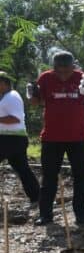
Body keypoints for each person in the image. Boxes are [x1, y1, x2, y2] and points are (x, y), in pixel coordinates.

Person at [29, 51, 84, 226]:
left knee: (81, 177)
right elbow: (35, 103)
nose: (64, 74)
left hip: (78, 137)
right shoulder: (45, 78)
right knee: (49, 177)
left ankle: (81, 215)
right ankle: (45, 215)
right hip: (52, 137)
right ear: (54, 68)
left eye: (67, 70)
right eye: (59, 70)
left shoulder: (83, 77)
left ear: (73, 66)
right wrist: (32, 94)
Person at [0, 71, 40, 207]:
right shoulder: (6, 97)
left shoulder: (11, 97)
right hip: (12, 139)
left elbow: (15, 118)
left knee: (23, 169)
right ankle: (37, 197)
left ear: (4, 83)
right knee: (23, 169)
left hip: (10, 140)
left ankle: (37, 197)